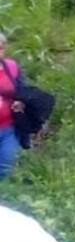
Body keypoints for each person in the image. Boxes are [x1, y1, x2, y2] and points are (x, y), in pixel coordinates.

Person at [0, 33, 25, 181]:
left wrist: (20, 102)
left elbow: (23, 91)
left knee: (6, 170)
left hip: (8, 129)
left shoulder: (11, 67)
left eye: (1, 48)